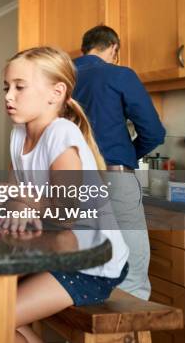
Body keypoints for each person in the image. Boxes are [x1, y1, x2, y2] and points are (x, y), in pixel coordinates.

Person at [3, 47, 129, 343]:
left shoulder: (61, 133)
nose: (9, 96)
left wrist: (26, 201)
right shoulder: (18, 135)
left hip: (93, 265)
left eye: (20, 87)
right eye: (6, 87)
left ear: (56, 93)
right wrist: (20, 202)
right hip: (55, 253)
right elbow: (12, 195)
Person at [73, 25, 166, 300]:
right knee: (132, 281)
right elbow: (154, 132)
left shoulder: (61, 76)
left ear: (85, 48)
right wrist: (126, 156)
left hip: (69, 183)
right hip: (113, 179)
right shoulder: (119, 74)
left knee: (82, 270)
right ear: (114, 48)